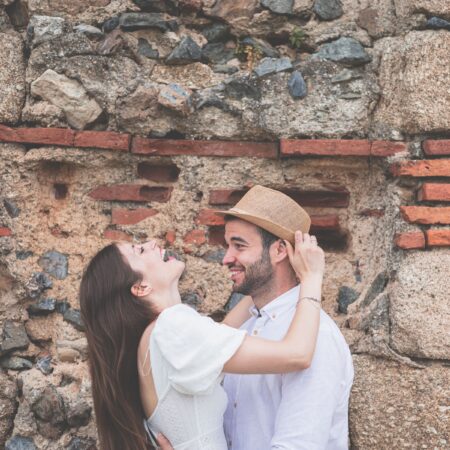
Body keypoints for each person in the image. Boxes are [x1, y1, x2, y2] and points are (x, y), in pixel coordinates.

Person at [79, 196, 325, 449]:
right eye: (139, 251)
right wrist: (312, 276)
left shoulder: (154, 337)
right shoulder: (172, 327)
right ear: (141, 287)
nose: (152, 243)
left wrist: (269, 274)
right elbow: (298, 354)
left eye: (239, 246)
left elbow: (223, 333)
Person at [158, 185, 354, 450]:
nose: (226, 258)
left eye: (239, 245)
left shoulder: (317, 336)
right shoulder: (247, 326)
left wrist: (310, 276)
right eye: (228, 246)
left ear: (279, 251)